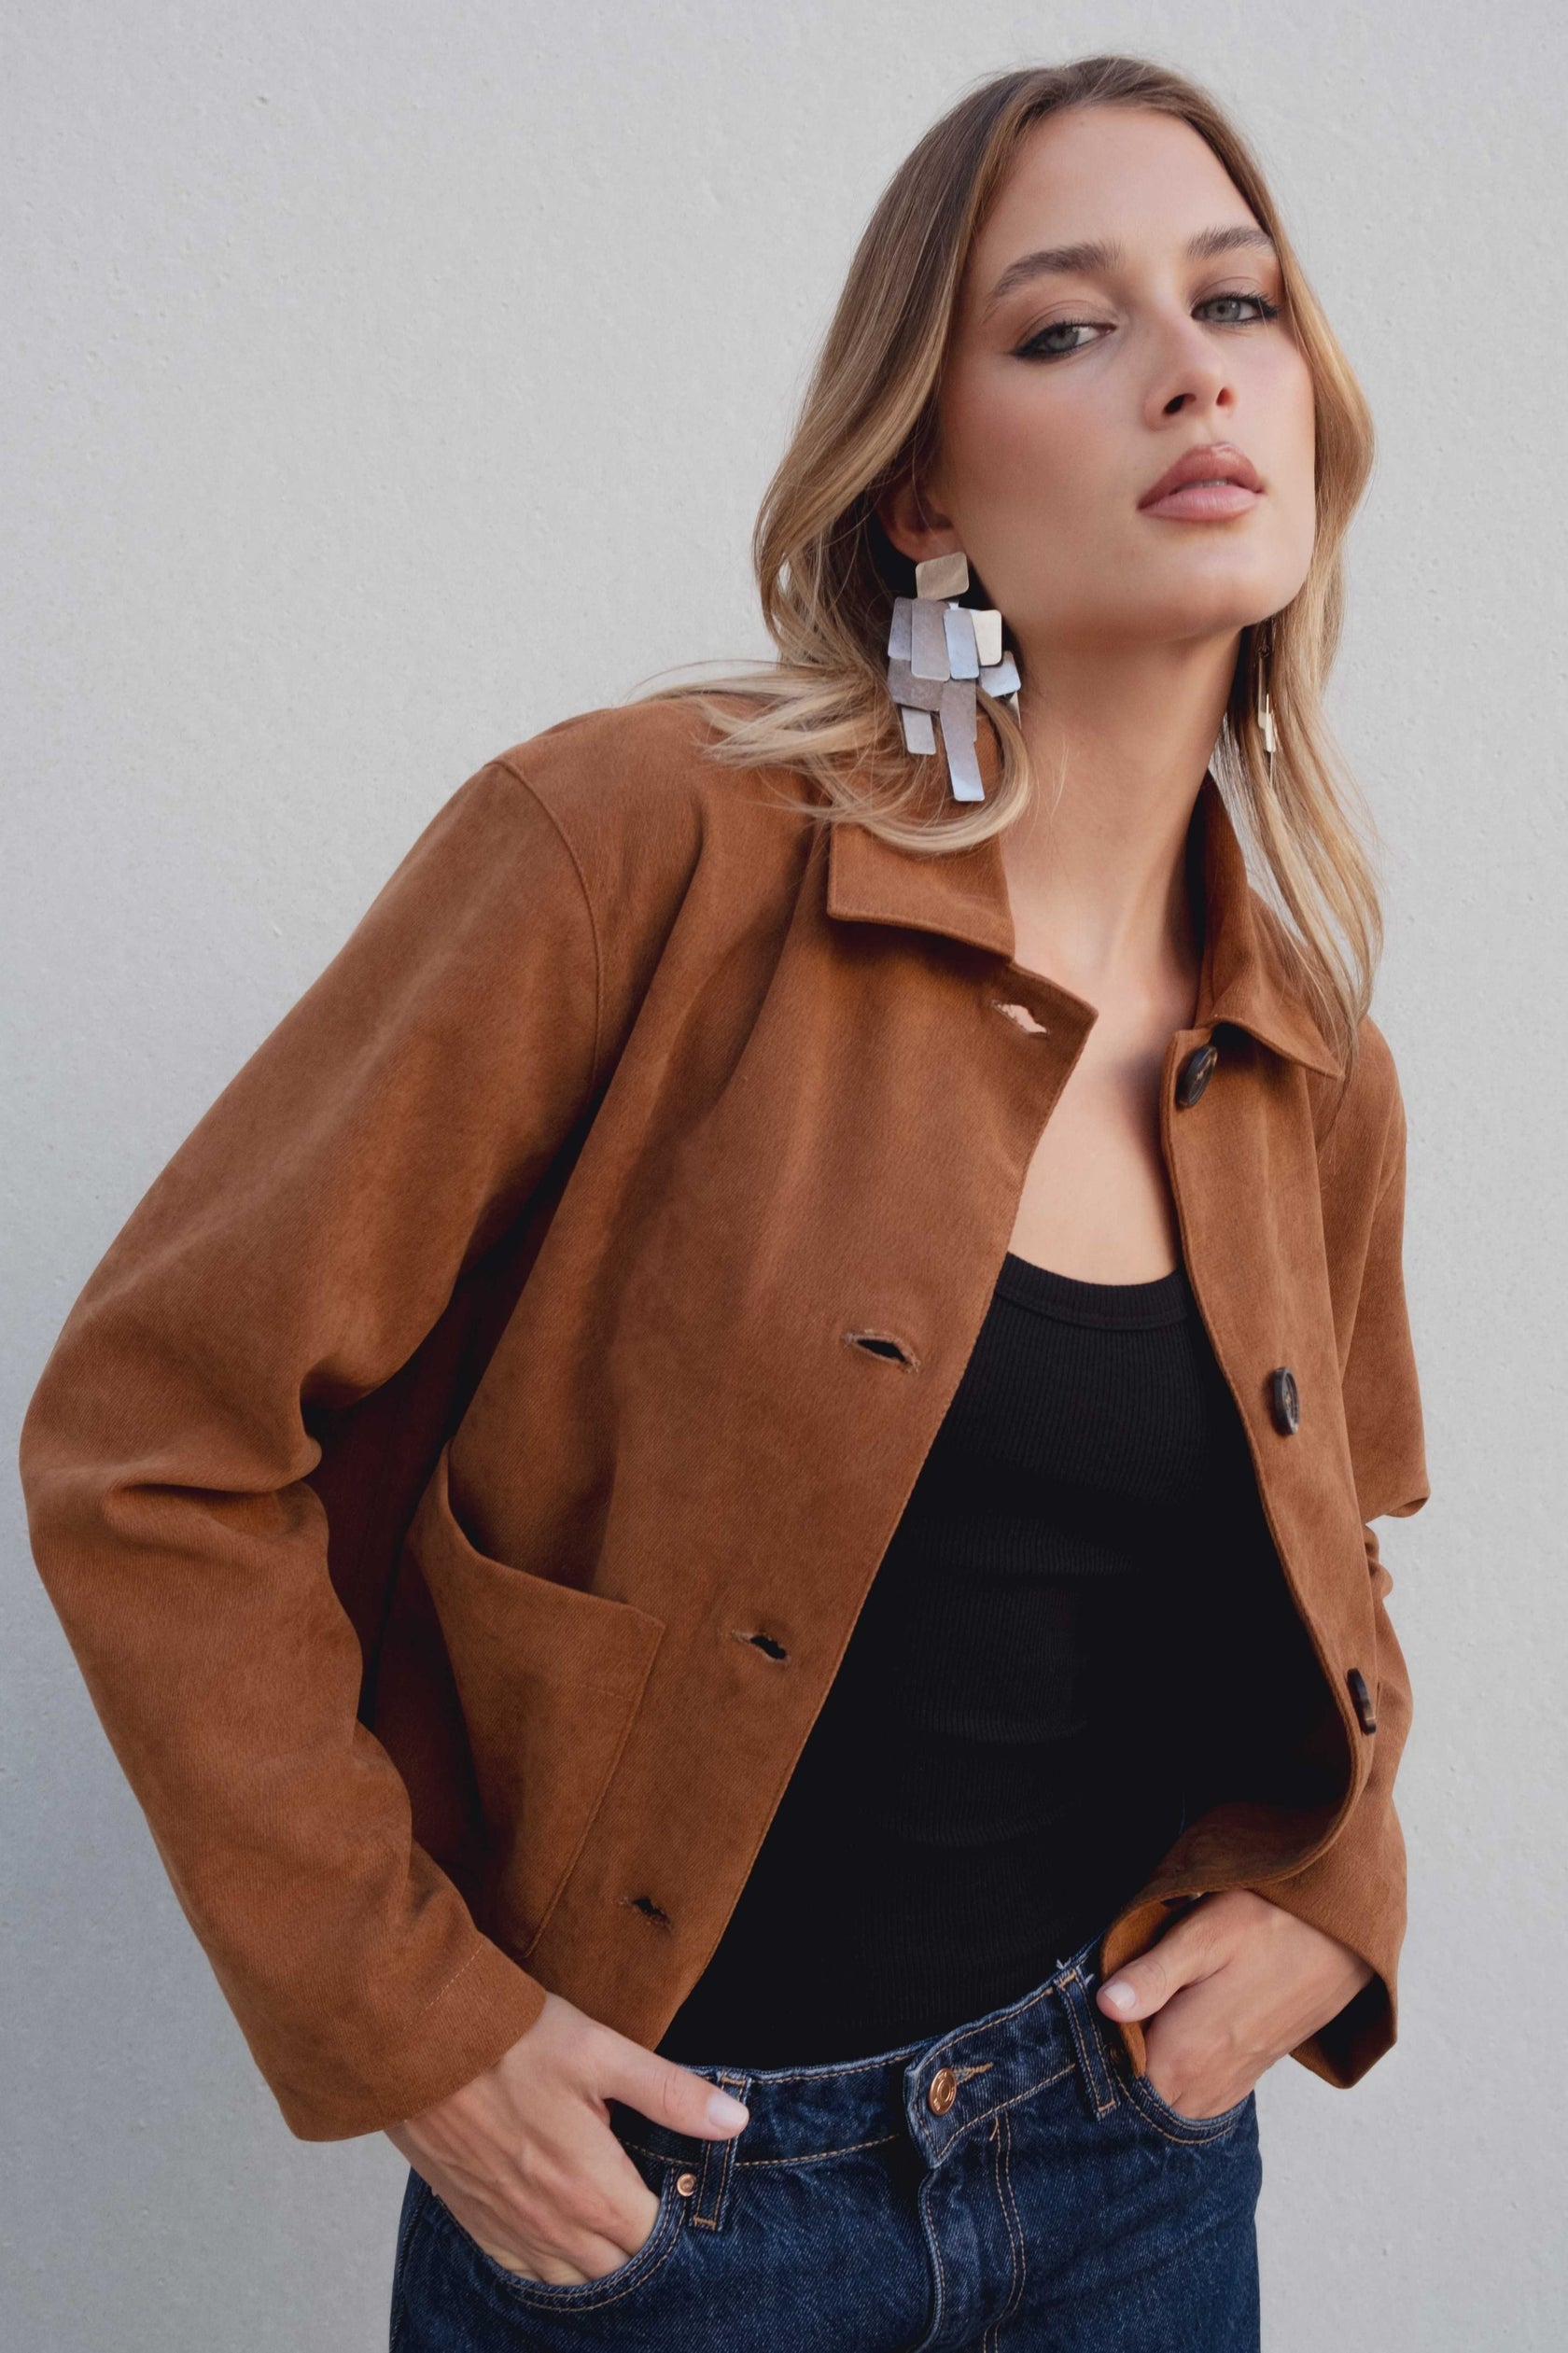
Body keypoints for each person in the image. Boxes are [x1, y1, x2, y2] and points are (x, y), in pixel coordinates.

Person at [19, 52, 1429, 2353]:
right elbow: (151, 1441)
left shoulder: (1309, 1063)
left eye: (1240, 301)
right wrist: (421, 2030)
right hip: (664, 2225)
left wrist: (1337, 1886)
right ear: (923, 492)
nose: (1191, 369)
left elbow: (1335, 1558)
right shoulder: (639, 848)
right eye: (1067, 326)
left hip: (1134, 2187)